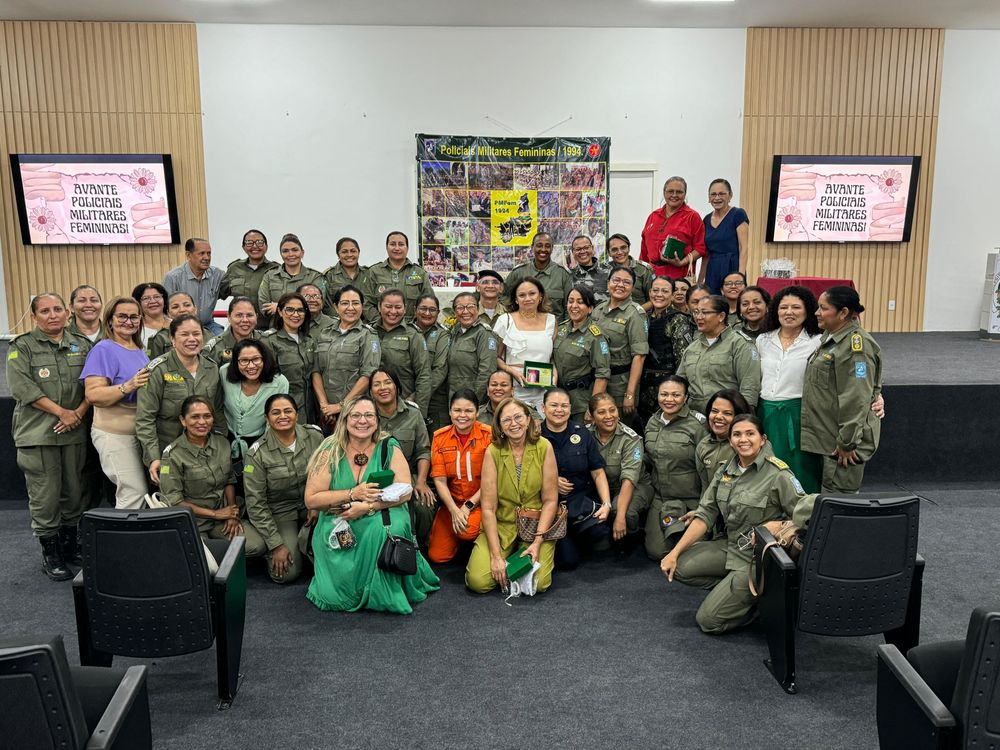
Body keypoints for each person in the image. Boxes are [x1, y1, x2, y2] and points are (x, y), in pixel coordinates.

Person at [660, 414, 807, 634]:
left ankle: (761, 603)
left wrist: (779, 523)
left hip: (759, 558)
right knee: (677, 566)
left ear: (763, 439)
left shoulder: (779, 474)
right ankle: (735, 594)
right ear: (730, 441)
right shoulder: (726, 469)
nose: (743, 439)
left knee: (708, 621)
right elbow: (706, 513)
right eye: (737, 434)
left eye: (750, 434)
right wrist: (674, 552)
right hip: (731, 545)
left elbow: (806, 514)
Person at [304, 395, 439, 614]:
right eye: (355, 415)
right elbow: (311, 499)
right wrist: (352, 494)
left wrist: (368, 507)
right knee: (333, 597)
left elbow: (405, 492)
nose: (362, 421)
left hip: (383, 510)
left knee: (382, 530)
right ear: (345, 419)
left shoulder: (388, 446)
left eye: (369, 415)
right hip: (340, 516)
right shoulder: (330, 449)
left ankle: (384, 593)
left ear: (377, 420)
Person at [8, 292, 92, 580]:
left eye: (57, 309)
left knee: (74, 493)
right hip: (39, 434)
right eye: (45, 311)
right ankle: (50, 552)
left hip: (74, 431)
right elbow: (23, 389)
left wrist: (77, 413)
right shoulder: (22, 347)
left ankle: (70, 546)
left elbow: (92, 384)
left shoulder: (81, 344)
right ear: (34, 316)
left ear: (67, 313)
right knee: (45, 496)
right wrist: (63, 413)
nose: (53, 315)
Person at [465, 397, 559, 594]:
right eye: (506, 420)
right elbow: (488, 508)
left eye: (518, 417)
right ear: (499, 425)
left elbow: (550, 501)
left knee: (539, 584)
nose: (513, 424)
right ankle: (509, 558)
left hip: (536, 525)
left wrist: (537, 542)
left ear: (528, 419)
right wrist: (496, 556)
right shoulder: (493, 451)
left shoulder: (544, 446)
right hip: (502, 524)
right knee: (477, 582)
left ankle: (526, 553)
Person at [801, 286, 883, 494]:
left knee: (840, 503)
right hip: (831, 439)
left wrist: (847, 442)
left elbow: (856, 397)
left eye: (823, 308)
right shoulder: (833, 337)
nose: (817, 313)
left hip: (844, 447)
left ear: (843, 313)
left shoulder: (857, 346)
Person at [160, 396, 264, 553]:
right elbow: (175, 502)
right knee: (201, 560)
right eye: (195, 417)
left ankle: (221, 553)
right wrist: (216, 514)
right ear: (183, 420)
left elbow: (229, 479)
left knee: (256, 545)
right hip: (194, 521)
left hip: (222, 515)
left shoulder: (222, 443)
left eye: (207, 416)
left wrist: (231, 512)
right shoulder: (172, 455)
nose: (202, 422)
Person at [136, 313, 227, 485]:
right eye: (184, 334)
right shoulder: (157, 370)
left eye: (196, 334)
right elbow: (145, 419)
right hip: (167, 450)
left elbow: (218, 411)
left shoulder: (212, 368)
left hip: (203, 450)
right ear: (172, 338)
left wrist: (223, 446)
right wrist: (154, 457)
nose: (192, 339)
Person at [243, 394, 324, 583]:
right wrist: (276, 545)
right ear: (267, 418)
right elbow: (256, 504)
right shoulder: (256, 453)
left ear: (297, 414)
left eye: (288, 411)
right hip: (280, 511)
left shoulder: (315, 436)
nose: (283, 416)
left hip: (312, 504)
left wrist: (318, 505)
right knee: (287, 574)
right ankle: (288, 549)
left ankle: (306, 547)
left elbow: (329, 473)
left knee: (337, 551)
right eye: (275, 412)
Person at [80, 297, 151, 510]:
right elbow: (93, 394)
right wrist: (127, 386)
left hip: (139, 434)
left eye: (134, 317)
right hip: (114, 436)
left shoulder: (139, 350)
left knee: (141, 495)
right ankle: (124, 542)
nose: (128, 321)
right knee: (133, 493)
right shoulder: (104, 349)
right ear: (110, 320)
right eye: (122, 316)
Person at [540, 388, 613, 569]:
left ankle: (574, 533)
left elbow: (597, 471)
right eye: (554, 405)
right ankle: (565, 538)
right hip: (550, 505)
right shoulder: (534, 436)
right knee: (568, 562)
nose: (559, 410)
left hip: (579, 501)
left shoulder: (581, 433)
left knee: (601, 533)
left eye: (564, 406)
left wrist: (606, 504)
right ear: (543, 408)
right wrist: (550, 480)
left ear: (570, 408)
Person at [642, 375, 707, 560]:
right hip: (661, 498)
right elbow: (649, 458)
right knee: (656, 552)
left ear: (686, 397)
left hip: (691, 499)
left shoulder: (697, 425)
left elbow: (707, 468)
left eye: (676, 395)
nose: (669, 400)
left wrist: (704, 507)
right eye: (664, 394)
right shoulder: (653, 422)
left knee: (692, 550)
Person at [369, 368, 435, 542]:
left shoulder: (413, 414)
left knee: (424, 506)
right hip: (374, 475)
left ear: (397, 387)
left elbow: (423, 450)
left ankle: (418, 547)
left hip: (407, 475)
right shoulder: (366, 416)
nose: (383, 388)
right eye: (377, 384)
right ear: (370, 392)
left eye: (388, 382)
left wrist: (421, 482)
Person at [426, 390, 492, 563]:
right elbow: (439, 480)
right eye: (457, 410)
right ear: (450, 412)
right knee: (437, 557)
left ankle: (475, 539)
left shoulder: (488, 436)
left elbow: (491, 480)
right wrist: (454, 510)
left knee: (467, 530)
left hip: (480, 501)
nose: (462, 415)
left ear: (477, 412)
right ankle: (457, 537)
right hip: (452, 504)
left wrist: (468, 506)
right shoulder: (440, 437)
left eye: (469, 411)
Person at [676, 294, 761, 414]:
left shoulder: (739, 344)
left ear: (721, 316)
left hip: (727, 418)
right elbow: (679, 384)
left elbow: (749, 386)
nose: (699, 317)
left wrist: (743, 418)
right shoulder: (692, 348)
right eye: (696, 312)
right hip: (695, 420)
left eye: (704, 312)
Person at [312, 285, 380, 429]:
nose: (350, 308)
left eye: (355, 303)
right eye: (345, 303)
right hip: (325, 413)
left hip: (355, 411)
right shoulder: (325, 333)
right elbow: (316, 370)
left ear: (362, 306)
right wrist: (325, 406)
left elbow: (368, 375)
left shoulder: (368, 335)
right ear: (336, 307)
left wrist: (341, 406)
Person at [588, 392, 652, 545]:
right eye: (601, 412)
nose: (609, 416)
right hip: (600, 489)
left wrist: (620, 518)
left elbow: (629, 480)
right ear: (592, 416)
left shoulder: (631, 439)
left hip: (634, 486)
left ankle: (632, 539)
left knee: (624, 513)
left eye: (612, 410)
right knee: (599, 545)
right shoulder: (585, 435)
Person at [590, 265, 648, 422]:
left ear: (632, 287)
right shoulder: (598, 310)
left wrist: (629, 393)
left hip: (620, 384)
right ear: (608, 282)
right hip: (596, 380)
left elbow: (639, 356)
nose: (620, 285)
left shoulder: (635, 313)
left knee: (617, 428)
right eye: (616, 280)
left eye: (626, 282)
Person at [220, 339, 289, 470]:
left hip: (262, 443)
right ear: (236, 362)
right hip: (227, 442)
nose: (251, 366)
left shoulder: (279, 382)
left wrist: (266, 449)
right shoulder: (224, 373)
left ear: (264, 359)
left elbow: (276, 420)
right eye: (244, 361)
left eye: (256, 359)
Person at [493, 277, 557, 414]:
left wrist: (554, 376)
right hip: (515, 389)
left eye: (532, 293)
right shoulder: (505, 321)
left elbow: (552, 357)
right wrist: (512, 372)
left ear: (540, 296)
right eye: (522, 295)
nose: (527, 298)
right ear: (516, 299)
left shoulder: (551, 320)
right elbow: (495, 357)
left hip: (543, 390)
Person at [639, 276, 692, 426]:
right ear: (649, 293)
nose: (659, 295)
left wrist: (675, 390)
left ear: (672, 295)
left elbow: (682, 359)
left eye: (664, 291)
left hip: (668, 388)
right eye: (655, 290)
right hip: (644, 387)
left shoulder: (677, 319)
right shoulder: (644, 318)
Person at [552, 286, 610, 422]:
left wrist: (592, 408)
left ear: (590, 308)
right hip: (558, 399)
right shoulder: (560, 329)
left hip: (581, 404)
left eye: (580, 302)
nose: (574, 306)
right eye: (570, 301)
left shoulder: (596, 336)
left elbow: (602, 375)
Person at [373, 289, 432, 417]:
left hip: (404, 406)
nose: (393, 312)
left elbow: (424, 376)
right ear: (379, 307)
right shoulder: (369, 332)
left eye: (398, 307)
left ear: (405, 309)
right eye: (388, 306)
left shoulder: (413, 335)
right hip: (372, 408)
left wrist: (419, 413)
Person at [260, 293, 316, 422]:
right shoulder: (269, 340)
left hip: (310, 409)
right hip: (284, 412)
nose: (295, 315)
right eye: (290, 309)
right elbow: (266, 380)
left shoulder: (309, 341)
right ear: (279, 311)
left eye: (300, 310)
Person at [640, 177, 707, 281]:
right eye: (670, 191)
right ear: (664, 192)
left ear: (685, 194)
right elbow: (644, 249)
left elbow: (700, 248)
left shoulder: (692, 216)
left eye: (679, 192)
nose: (674, 195)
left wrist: (682, 262)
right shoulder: (653, 216)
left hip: (679, 276)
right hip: (652, 276)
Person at [362, 231, 433, 321]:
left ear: (407, 248)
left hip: (411, 327)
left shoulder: (420, 273)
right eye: (392, 244)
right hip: (380, 329)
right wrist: (381, 322)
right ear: (386, 247)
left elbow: (429, 303)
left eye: (401, 244)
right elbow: (366, 303)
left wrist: (416, 325)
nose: (397, 248)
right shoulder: (374, 272)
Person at [504, 232, 574, 320]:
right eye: (539, 245)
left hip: (554, 330)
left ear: (552, 249)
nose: (543, 249)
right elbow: (502, 296)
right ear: (532, 247)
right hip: (523, 329)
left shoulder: (563, 274)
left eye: (547, 246)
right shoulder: (518, 273)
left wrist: (564, 331)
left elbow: (569, 307)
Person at [162, 237, 225, 335]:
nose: (207, 258)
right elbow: (164, 310)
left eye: (209, 253)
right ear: (188, 255)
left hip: (207, 325)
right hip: (179, 326)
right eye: (201, 253)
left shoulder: (217, 275)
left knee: (224, 345)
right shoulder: (173, 277)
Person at [447, 291, 498, 406]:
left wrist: (473, 402)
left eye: (470, 306)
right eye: (460, 307)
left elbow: (487, 372)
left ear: (478, 309)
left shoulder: (484, 333)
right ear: (455, 312)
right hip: (453, 398)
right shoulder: (455, 332)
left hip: (472, 401)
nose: (465, 311)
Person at [220, 229, 279, 327]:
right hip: (241, 327)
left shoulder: (276, 269)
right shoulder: (234, 268)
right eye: (249, 243)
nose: (255, 246)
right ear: (243, 247)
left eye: (260, 242)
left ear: (266, 247)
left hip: (268, 329)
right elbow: (219, 293)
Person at [258, 233, 326, 318]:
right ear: (281, 254)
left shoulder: (315, 277)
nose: (290, 254)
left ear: (302, 252)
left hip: (309, 328)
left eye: (295, 250)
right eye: (285, 251)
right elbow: (264, 306)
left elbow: (317, 305)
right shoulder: (270, 276)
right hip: (279, 327)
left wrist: (280, 307)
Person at [700, 179, 749, 294]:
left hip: (732, 267)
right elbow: (706, 254)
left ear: (730, 195)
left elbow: (744, 248)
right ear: (709, 197)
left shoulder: (738, 214)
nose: (717, 198)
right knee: (712, 305)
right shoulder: (706, 219)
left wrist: (740, 277)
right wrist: (700, 280)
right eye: (713, 194)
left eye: (722, 194)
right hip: (712, 269)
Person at [696, 389, 753, 488]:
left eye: (727, 413)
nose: (718, 417)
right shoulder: (703, 446)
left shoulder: (752, 444)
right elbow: (705, 489)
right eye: (714, 411)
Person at [413, 293, 450, 429]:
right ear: (415, 310)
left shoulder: (443, 334)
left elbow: (440, 370)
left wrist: (417, 395)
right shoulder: (406, 331)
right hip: (403, 398)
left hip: (434, 400)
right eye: (423, 308)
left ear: (438, 312)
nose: (427, 313)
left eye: (432, 310)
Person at [147, 292, 213, 359]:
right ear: (168, 313)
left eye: (187, 305)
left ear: (195, 309)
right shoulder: (160, 338)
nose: (182, 310)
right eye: (175, 307)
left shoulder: (208, 334)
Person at [203, 297, 260, 367]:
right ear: (229, 317)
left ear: (256, 317)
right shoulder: (215, 349)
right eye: (239, 315)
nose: (245, 320)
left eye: (249, 315)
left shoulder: (268, 342)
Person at [607, 233, 653, 310]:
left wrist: (634, 313)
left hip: (637, 316)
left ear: (629, 248)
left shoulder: (644, 269)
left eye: (623, 248)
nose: (620, 252)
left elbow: (653, 299)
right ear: (609, 253)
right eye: (614, 249)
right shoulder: (603, 270)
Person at [322, 236, 368, 308]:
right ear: (338, 254)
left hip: (366, 318)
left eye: (353, 251)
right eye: (344, 252)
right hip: (337, 318)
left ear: (358, 253)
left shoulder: (368, 274)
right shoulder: (329, 276)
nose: (349, 255)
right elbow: (326, 304)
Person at [569, 234, 610, 304]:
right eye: (578, 249)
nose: (582, 251)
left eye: (586, 248)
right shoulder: (569, 275)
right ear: (573, 252)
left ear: (592, 248)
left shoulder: (609, 271)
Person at [132, 282, 170, 349]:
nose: (152, 301)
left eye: (157, 297)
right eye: (146, 298)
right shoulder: (135, 329)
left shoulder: (176, 324)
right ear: (138, 303)